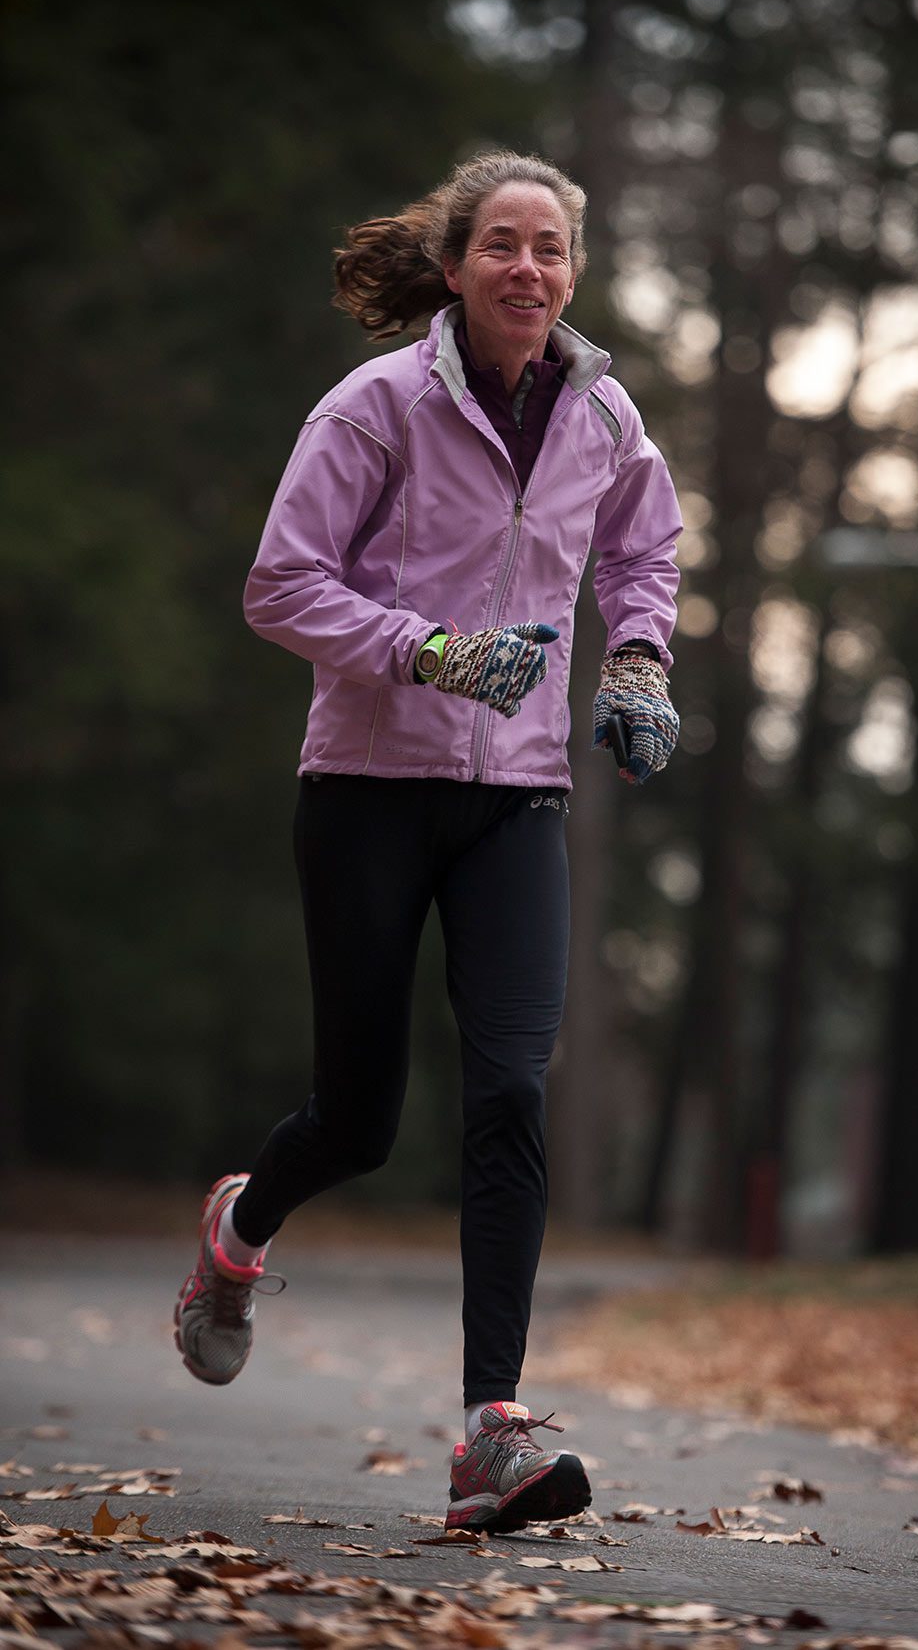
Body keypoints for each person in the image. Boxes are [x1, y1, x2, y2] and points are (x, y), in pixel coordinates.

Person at [173, 150, 682, 1535]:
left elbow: (644, 546)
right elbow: (280, 585)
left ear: (573, 273)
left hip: (519, 800)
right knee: (361, 1118)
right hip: (367, 785)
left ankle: (490, 1434)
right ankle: (239, 1230)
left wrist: (635, 661)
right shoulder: (377, 406)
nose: (530, 269)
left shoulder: (601, 411)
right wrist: (431, 655)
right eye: (503, 245)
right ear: (454, 267)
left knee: (512, 1091)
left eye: (552, 250)